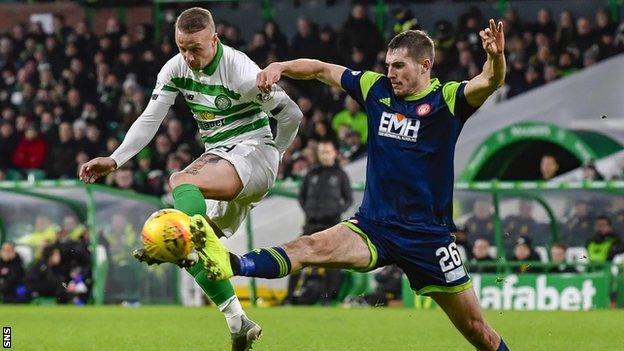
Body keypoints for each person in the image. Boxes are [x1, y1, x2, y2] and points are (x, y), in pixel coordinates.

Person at [194, 20, 510, 350]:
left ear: (425, 65)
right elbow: (320, 69)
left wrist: (496, 57)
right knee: (308, 247)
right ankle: (232, 264)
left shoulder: (447, 100)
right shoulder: (376, 90)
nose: (391, 73)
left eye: (399, 66)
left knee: (478, 331)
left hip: (428, 238)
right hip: (374, 226)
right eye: (388, 65)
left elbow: (489, 80)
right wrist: (281, 67)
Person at [78, 7, 302, 350]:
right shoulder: (175, 68)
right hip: (223, 160)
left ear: (215, 39)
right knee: (187, 249)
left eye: (196, 48)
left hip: (254, 152)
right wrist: (115, 159)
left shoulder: (241, 72)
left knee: (181, 180)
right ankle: (238, 321)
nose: (188, 56)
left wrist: (278, 154)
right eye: (182, 47)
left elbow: (291, 115)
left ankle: (192, 230)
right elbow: (150, 118)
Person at [283, 139, 352, 305]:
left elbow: (348, 199)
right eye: (322, 152)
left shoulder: (340, 175)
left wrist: (335, 211)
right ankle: (289, 297)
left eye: (328, 152)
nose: (325, 155)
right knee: (297, 256)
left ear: (334, 154)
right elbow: (302, 197)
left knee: (332, 262)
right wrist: (309, 210)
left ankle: (328, 298)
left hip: (332, 225)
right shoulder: (311, 173)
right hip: (311, 224)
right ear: (318, 154)